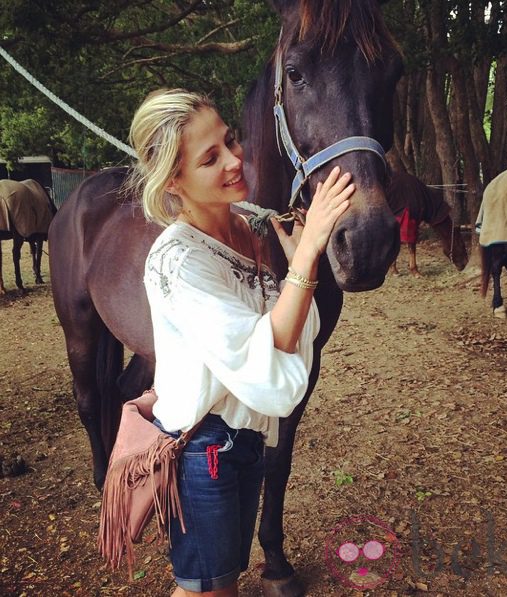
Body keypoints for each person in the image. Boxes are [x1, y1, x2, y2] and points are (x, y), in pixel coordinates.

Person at [127, 88, 355, 597]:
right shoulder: (179, 260)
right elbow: (262, 357)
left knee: (220, 582)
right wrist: (306, 255)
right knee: (207, 591)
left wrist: (302, 263)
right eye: (210, 158)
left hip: (247, 441)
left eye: (230, 141)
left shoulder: (252, 229)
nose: (234, 160)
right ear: (173, 180)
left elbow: (292, 331)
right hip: (202, 450)